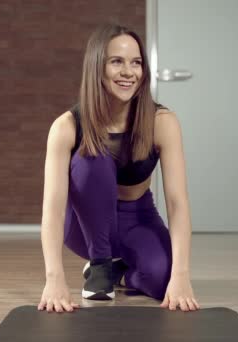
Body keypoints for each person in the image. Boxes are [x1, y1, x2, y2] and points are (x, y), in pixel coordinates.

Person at [38, 23, 199, 313]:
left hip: (137, 218)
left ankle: (120, 267)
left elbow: (177, 203)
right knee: (94, 156)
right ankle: (100, 263)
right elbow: (52, 208)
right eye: (117, 62)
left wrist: (181, 276)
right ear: (97, 67)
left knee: (162, 282)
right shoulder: (66, 126)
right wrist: (54, 278)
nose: (129, 72)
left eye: (136, 63)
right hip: (82, 227)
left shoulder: (162, 122)